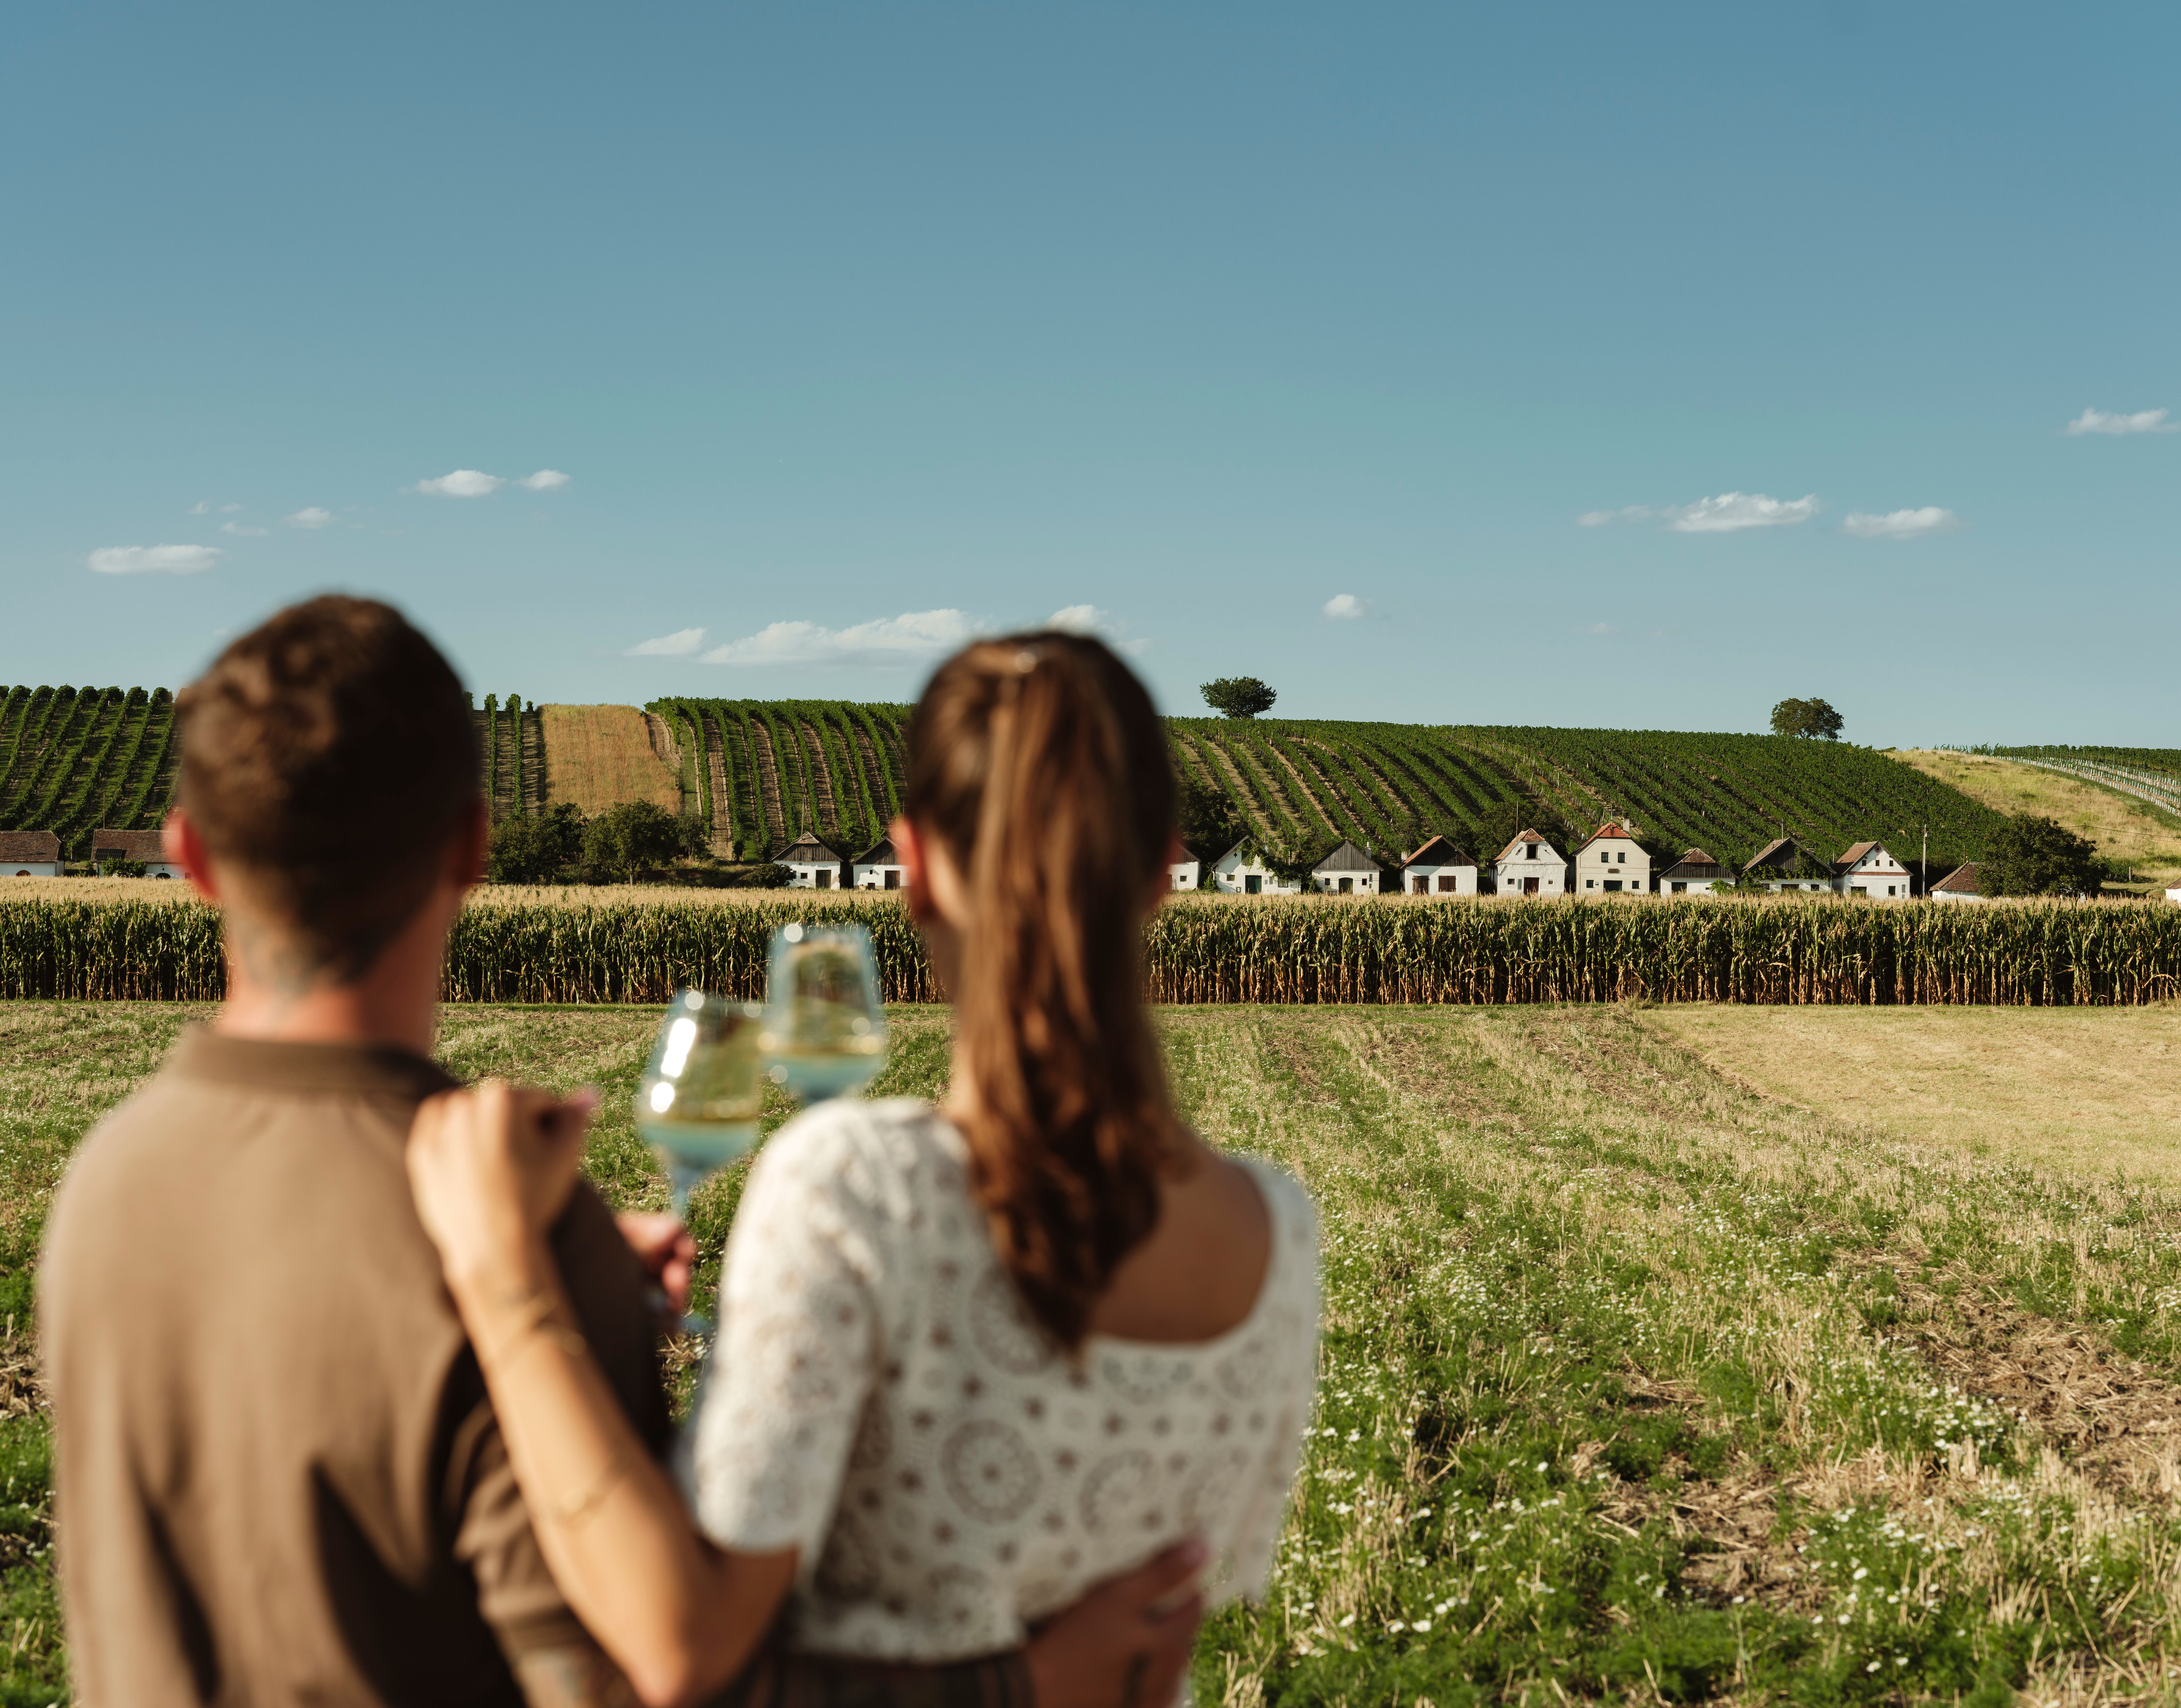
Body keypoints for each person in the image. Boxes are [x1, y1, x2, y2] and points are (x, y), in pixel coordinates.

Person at [38, 597, 1205, 1708]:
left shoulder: (101, 1183)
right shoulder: (513, 1225)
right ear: (473, 847)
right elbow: (637, 1677)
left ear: (187, 854)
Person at [407, 632, 1321, 1708]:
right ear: (1169, 870)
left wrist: (503, 1273)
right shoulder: (1277, 1229)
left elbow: (685, 1645)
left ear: (915, 864)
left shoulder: (859, 1188)